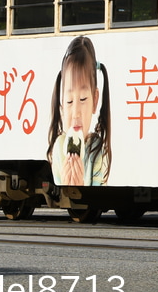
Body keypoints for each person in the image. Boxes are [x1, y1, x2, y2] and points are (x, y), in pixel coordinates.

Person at [46, 36, 112, 186]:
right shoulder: (59, 147)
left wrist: (81, 188)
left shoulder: (97, 149)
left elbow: (99, 199)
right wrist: (64, 186)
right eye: (69, 101)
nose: (76, 112)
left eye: (83, 99)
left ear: (95, 101)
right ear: (62, 106)